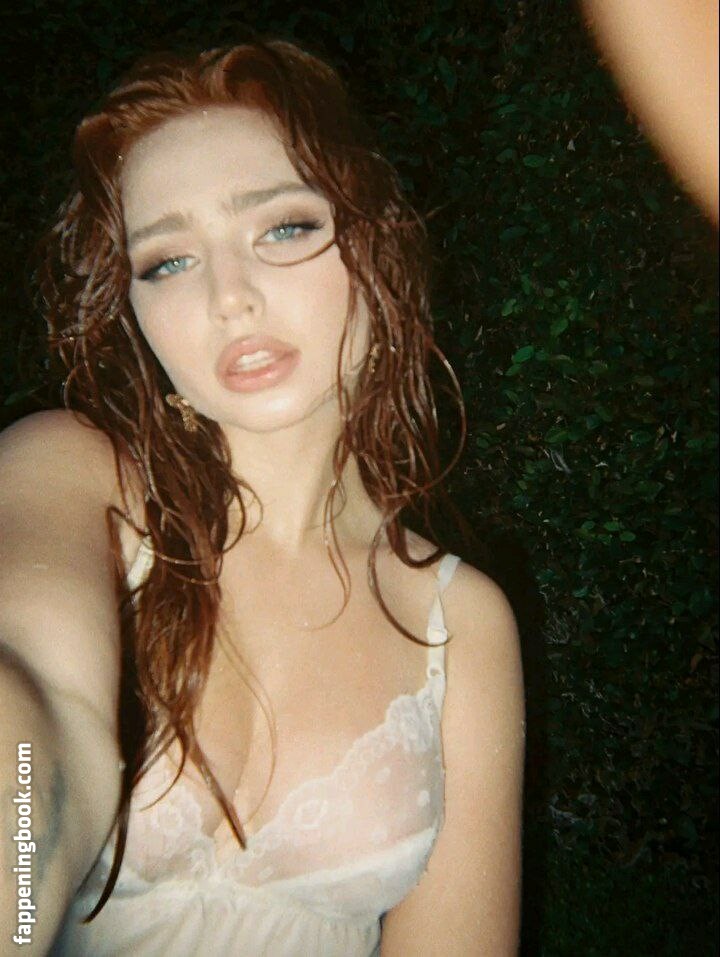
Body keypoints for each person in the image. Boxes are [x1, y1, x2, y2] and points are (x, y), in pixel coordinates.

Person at [0, 39, 525, 956]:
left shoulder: (459, 623)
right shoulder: (71, 472)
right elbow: (39, 716)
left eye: (283, 228)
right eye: (168, 261)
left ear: (378, 244)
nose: (229, 297)